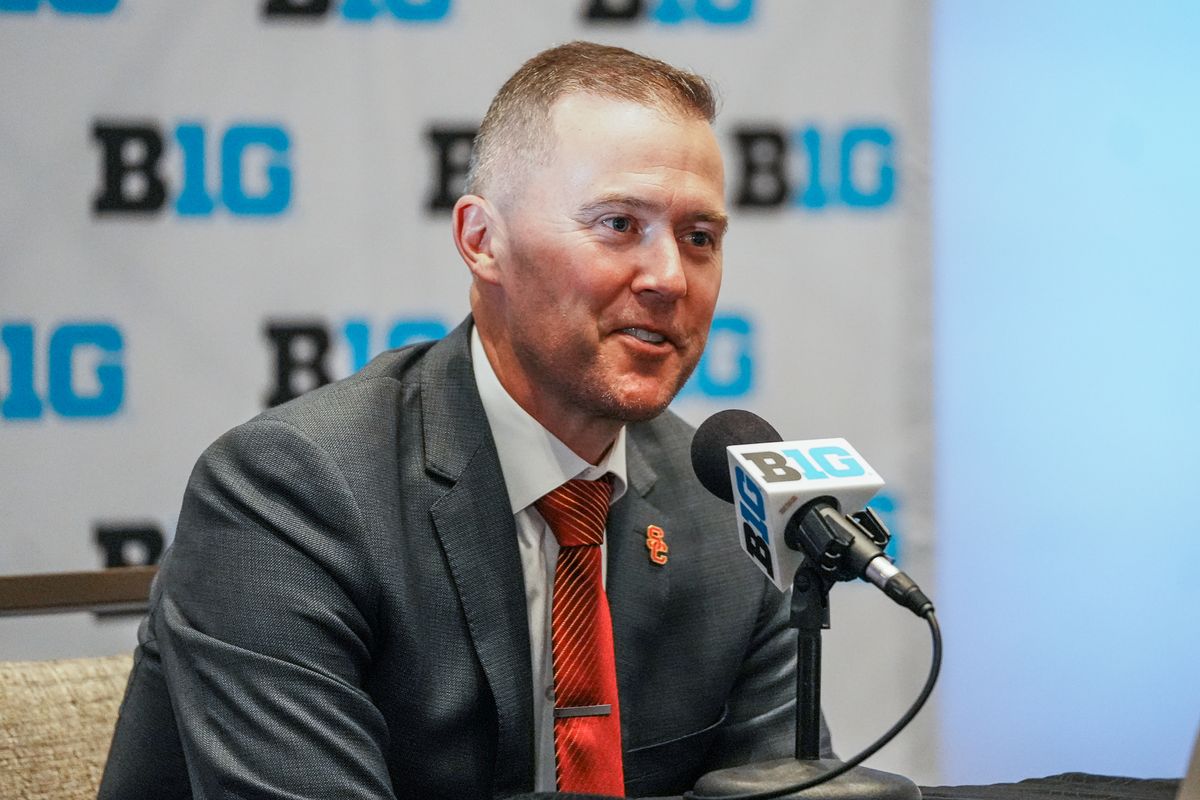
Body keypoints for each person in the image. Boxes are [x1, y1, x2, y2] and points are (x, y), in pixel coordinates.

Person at [99, 41, 831, 799]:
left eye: (700, 238)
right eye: (618, 224)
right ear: (482, 241)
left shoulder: (723, 507)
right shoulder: (293, 493)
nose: (670, 278)